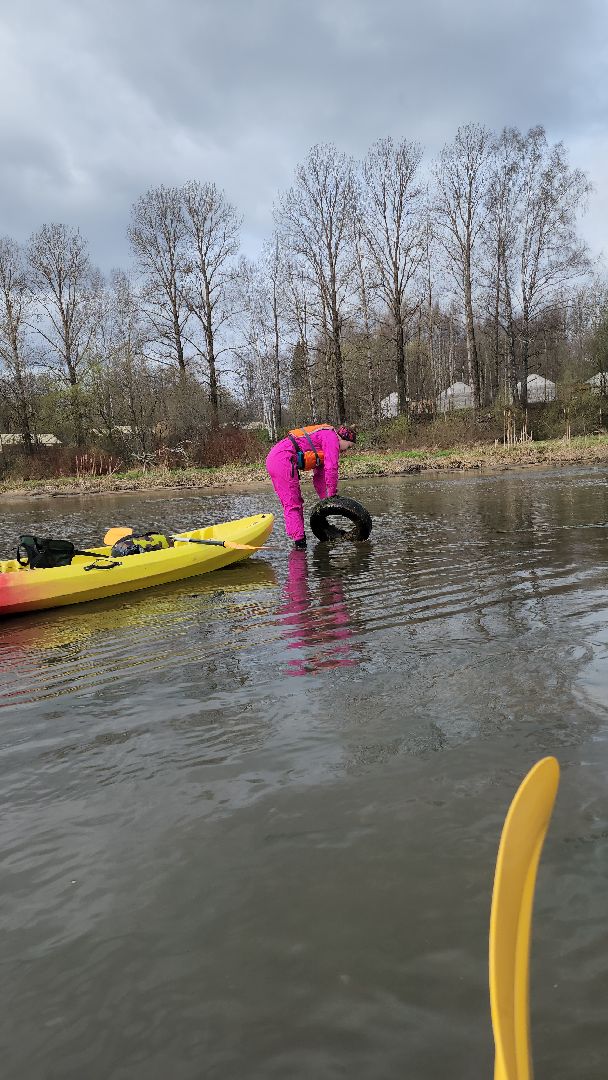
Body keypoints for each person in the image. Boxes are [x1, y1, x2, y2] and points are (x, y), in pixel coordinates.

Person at [265, 423, 356, 548]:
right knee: (292, 503)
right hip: (281, 459)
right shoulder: (332, 438)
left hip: (279, 458)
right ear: (343, 438)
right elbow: (332, 469)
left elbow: (319, 479)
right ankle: (299, 544)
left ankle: (300, 540)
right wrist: (333, 494)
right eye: (348, 447)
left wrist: (327, 501)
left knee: (296, 502)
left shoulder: (326, 440)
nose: (345, 451)